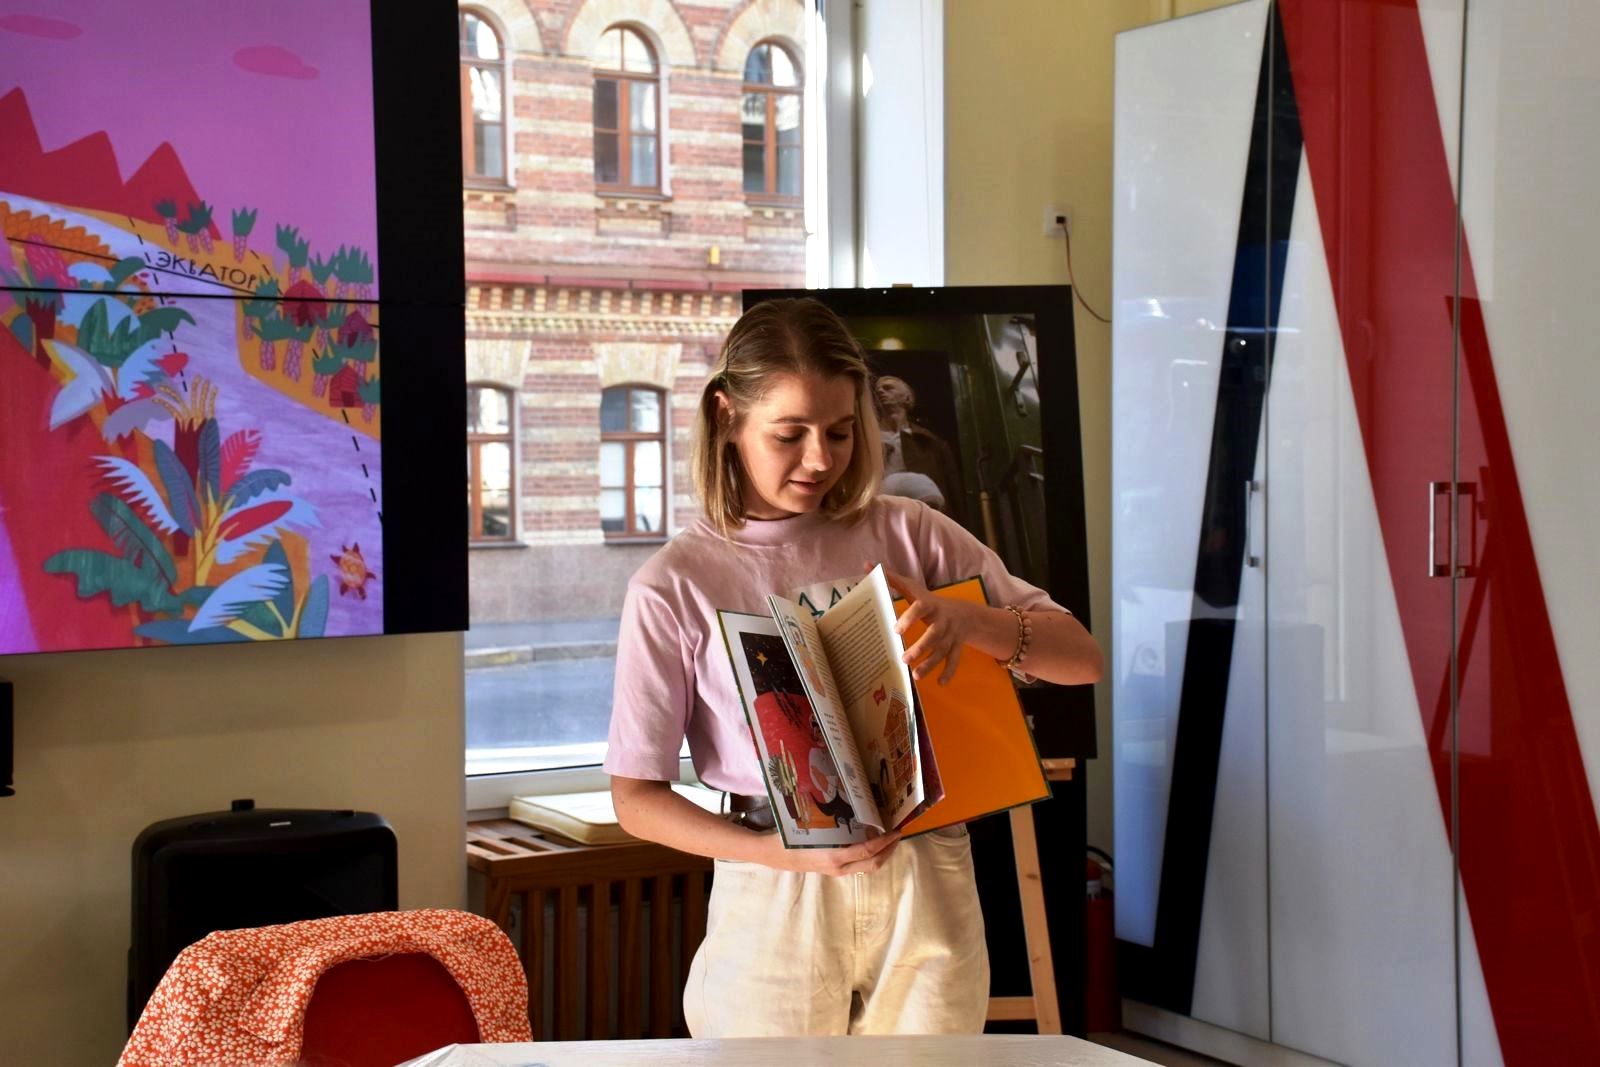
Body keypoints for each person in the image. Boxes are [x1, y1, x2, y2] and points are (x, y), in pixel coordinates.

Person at [605, 297, 1103, 1037]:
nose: (819, 459)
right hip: (773, 879)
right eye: (790, 434)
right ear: (725, 416)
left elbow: (1082, 659)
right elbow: (636, 797)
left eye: (840, 432)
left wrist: (969, 619)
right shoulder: (673, 584)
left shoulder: (912, 532)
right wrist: (774, 854)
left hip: (927, 868)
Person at [873, 374, 966, 524]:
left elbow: (952, 489)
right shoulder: (868, 441)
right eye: (878, 390)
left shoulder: (932, 443)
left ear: (907, 398)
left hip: (926, 517)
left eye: (888, 388)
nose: (880, 391)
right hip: (880, 516)